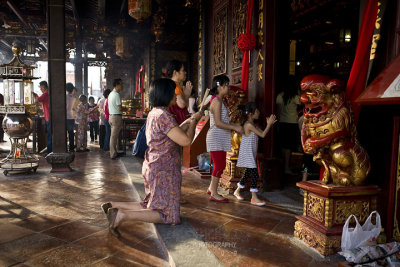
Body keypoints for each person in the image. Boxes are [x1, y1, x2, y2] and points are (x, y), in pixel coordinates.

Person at [101, 78, 202, 237]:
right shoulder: (164, 115)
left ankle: (112, 206)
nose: (176, 97)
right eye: (173, 93)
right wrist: (195, 120)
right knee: (168, 216)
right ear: (166, 94)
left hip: (155, 166)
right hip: (163, 170)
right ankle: (122, 215)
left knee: (149, 204)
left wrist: (188, 121)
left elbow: (172, 133)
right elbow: (186, 140)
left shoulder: (156, 112)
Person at [206, 74, 243, 203]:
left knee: (218, 165)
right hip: (216, 136)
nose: (228, 88)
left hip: (219, 136)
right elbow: (218, 122)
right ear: (220, 87)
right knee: (220, 165)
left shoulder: (218, 100)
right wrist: (235, 127)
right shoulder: (216, 101)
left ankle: (212, 188)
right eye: (226, 85)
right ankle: (214, 194)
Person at [233, 102, 277, 206]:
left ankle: (237, 191)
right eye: (256, 111)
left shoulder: (252, 125)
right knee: (255, 173)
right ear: (250, 114)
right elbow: (262, 134)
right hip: (247, 153)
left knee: (248, 172)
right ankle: (254, 197)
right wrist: (269, 124)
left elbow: (262, 133)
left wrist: (268, 125)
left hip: (250, 153)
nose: (259, 112)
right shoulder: (248, 125)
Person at [276, 76, 301, 175]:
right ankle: (287, 167)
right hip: (292, 124)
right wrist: (299, 92)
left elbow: (278, 112)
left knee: (283, 146)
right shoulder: (295, 97)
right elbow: (304, 101)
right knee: (289, 147)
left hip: (282, 123)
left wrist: (277, 124)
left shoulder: (279, 96)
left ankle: (284, 167)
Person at [166, 60, 192, 124]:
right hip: (177, 121)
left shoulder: (169, 84)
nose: (185, 72)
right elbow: (182, 104)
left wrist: (186, 95)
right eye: (183, 70)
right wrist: (187, 94)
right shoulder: (174, 85)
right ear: (175, 72)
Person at [33, 81, 52, 154]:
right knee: (49, 134)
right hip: (48, 117)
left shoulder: (45, 93)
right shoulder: (47, 93)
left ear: (43, 86)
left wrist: (35, 96)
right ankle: (49, 149)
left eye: (40, 87)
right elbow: (41, 102)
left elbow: (37, 101)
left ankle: (50, 151)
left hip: (49, 117)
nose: (40, 89)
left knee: (50, 134)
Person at [108, 79, 123, 159]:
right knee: (113, 136)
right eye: (121, 84)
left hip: (111, 116)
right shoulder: (116, 94)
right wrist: (126, 109)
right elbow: (120, 108)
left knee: (114, 136)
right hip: (116, 117)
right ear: (117, 85)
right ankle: (113, 154)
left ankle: (115, 152)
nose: (122, 86)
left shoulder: (111, 94)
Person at [66, 83, 77, 152]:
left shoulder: (65, 96)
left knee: (64, 133)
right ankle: (71, 147)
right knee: (71, 133)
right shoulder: (74, 97)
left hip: (65, 116)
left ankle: (64, 147)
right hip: (71, 116)